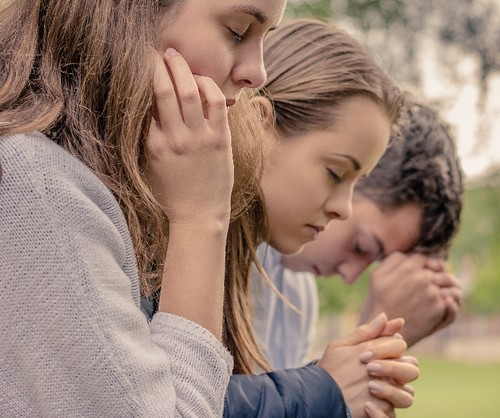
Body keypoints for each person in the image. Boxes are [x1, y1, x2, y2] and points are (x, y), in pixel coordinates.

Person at [0, 0, 286, 416]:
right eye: (238, 32)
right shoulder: (36, 188)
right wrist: (201, 218)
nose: (257, 73)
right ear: (126, 13)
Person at [204, 19, 419, 418]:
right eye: (336, 174)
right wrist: (325, 389)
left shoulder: (249, 264)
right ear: (262, 125)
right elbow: (165, 401)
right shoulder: (159, 238)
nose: (344, 208)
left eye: (357, 183)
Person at [252, 101, 465, 368]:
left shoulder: (298, 295)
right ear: (348, 175)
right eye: (361, 246)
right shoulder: (217, 247)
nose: (350, 276)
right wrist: (371, 347)